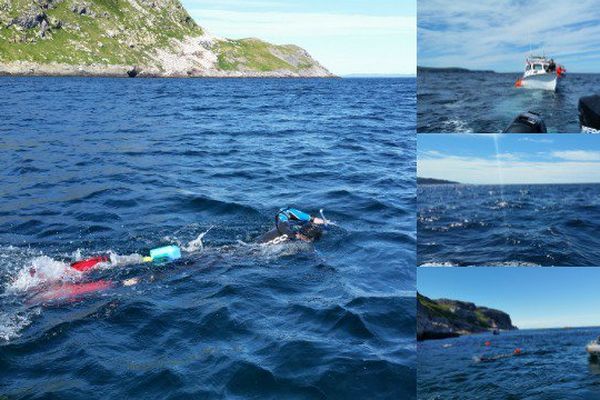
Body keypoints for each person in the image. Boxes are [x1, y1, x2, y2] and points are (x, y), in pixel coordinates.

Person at [258, 207, 326, 244]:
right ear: (308, 239)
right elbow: (284, 211)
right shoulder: (286, 230)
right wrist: (311, 218)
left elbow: (283, 212)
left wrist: (312, 220)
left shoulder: (290, 227)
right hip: (256, 251)